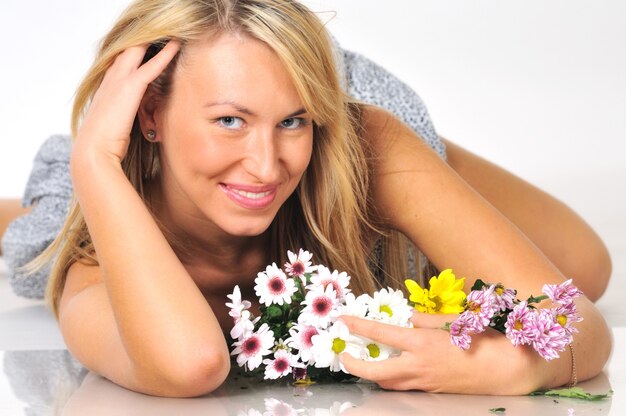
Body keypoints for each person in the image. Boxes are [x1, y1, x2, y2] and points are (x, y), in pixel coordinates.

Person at [0, 0, 612, 397]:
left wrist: (518, 367)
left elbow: (579, 319)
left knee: (586, 266)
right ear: (150, 114)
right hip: (127, 183)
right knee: (30, 246)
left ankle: (383, 154)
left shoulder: (360, 147)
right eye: (230, 122)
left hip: (357, 140)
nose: (266, 166)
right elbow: (188, 365)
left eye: (292, 122)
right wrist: (94, 164)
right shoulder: (91, 259)